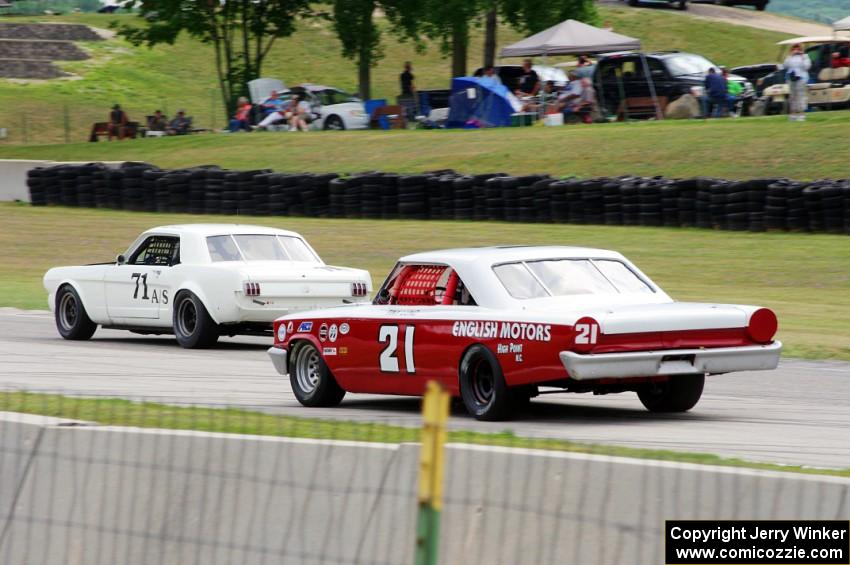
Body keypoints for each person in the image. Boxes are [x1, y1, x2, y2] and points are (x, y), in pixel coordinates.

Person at [783, 43, 811, 121]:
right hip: (791, 78)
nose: (796, 50)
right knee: (792, 96)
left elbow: (807, 67)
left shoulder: (805, 57)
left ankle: (801, 114)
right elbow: (785, 66)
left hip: (801, 78)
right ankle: (793, 114)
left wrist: (802, 57)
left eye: (798, 49)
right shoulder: (789, 57)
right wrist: (790, 56)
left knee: (800, 96)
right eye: (794, 48)